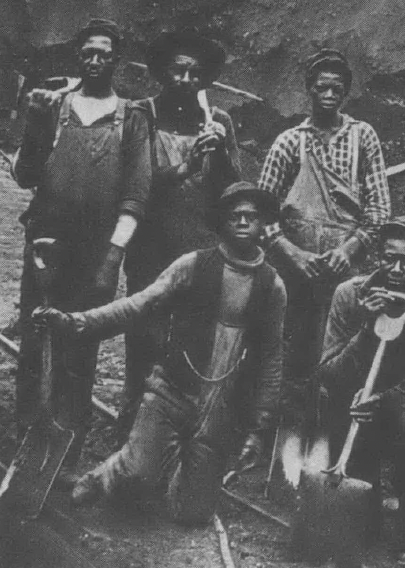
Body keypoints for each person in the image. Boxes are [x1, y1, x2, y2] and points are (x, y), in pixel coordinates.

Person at [32, 183, 286, 525]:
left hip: (220, 409)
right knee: (136, 475)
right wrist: (77, 322)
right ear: (222, 221)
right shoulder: (192, 265)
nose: (243, 222)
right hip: (171, 393)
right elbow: (138, 306)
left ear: (263, 224)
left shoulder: (272, 287)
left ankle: (168, 465)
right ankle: (106, 473)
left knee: (192, 514)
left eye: (251, 216)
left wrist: (259, 427)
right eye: (235, 215)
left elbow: (271, 358)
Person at [12, 18, 153, 484]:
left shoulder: (131, 117)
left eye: (104, 53)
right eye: (88, 52)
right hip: (46, 243)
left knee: (81, 341)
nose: (95, 60)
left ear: (117, 60)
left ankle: (67, 444)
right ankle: (27, 436)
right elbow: (25, 176)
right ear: (79, 56)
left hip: (94, 252)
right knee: (36, 338)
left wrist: (113, 257)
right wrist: (34, 122)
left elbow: (135, 195)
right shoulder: (54, 106)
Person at [258, 49, 391, 440]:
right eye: (321, 87)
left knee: (341, 354)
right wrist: (291, 253)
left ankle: (334, 439)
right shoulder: (289, 142)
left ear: (346, 92)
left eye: (337, 88)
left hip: (345, 271)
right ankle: (286, 441)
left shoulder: (362, 136)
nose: (329, 94)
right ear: (309, 91)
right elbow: (261, 211)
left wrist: (347, 252)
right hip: (295, 272)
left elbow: (380, 211)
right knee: (294, 356)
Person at [316, 216, 405, 568]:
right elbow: (329, 373)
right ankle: (362, 514)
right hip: (351, 400)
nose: (395, 269)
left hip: (402, 402)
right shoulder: (350, 295)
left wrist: (382, 400)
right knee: (363, 529)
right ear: (376, 255)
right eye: (388, 258)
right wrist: (366, 330)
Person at [121, 29, 240, 432]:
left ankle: (177, 427)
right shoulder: (143, 113)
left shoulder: (218, 120)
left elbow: (233, 193)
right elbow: (134, 185)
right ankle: (133, 426)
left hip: (199, 245)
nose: (186, 81)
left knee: (192, 338)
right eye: (177, 71)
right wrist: (187, 167)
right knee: (145, 336)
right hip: (151, 246)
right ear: (162, 73)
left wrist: (220, 150)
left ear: (206, 79)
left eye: (195, 74)